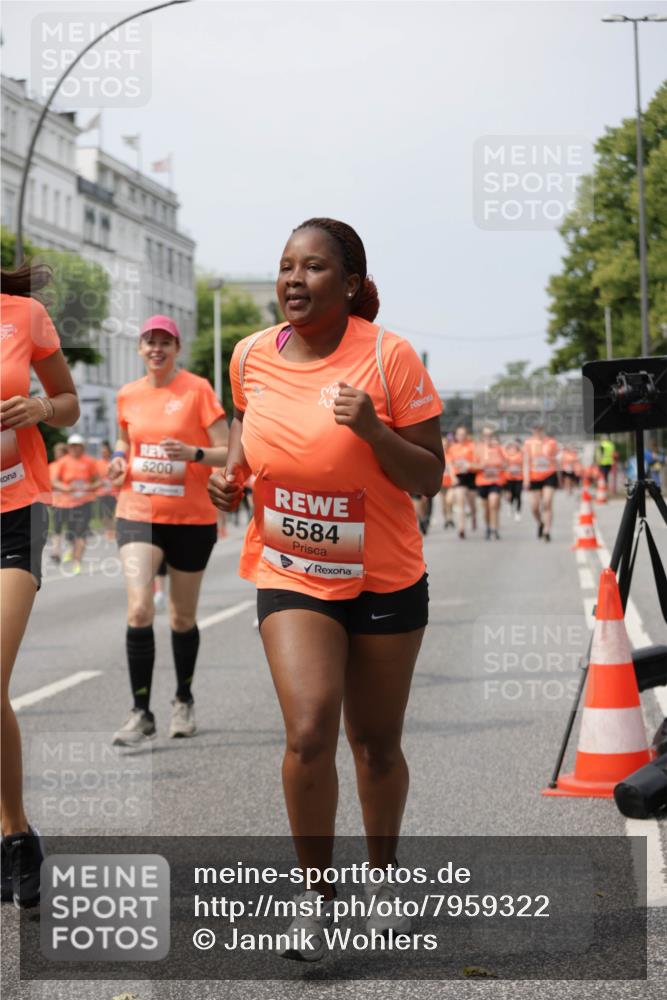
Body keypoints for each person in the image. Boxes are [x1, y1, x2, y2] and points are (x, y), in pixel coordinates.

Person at [208, 218, 444, 961]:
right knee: (309, 729)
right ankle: (316, 901)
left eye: (312, 268)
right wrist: (232, 475)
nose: (293, 280)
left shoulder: (389, 356)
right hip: (291, 567)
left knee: (374, 744)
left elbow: (430, 475)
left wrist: (373, 431)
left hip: (382, 573)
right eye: (285, 266)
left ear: (348, 285)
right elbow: (246, 426)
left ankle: (382, 880)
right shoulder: (249, 354)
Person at [107, 315, 228, 746]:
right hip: (137, 511)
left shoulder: (197, 390)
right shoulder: (128, 395)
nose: (156, 348)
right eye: (149, 342)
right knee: (140, 610)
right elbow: (125, 441)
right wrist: (119, 460)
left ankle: (183, 699)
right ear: (140, 349)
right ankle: (141, 711)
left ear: (177, 348)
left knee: (181, 616)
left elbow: (226, 451)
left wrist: (192, 452)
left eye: (165, 342)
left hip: (192, 519)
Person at [0, 261, 79, 907]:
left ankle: (14, 835)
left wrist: (39, 406)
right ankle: (15, 835)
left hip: (13, 512)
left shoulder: (22, 316)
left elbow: (70, 402)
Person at [50, 434, 100, 575]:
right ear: (69, 447)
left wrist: (90, 487)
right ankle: (67, 552)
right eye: (72, 446)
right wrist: (65, 488)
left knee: (81, 533)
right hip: (65, 503)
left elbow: (98, 481)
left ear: (82, 447)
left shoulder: (90, 462)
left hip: (84, 502)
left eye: (77, 446)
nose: (75, 449)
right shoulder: (62, 462)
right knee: (68, 532)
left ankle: (77, 561)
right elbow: (54, 481)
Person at [524, 423, 559, 542]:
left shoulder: (551, 443)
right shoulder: (529, 443)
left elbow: (556, 460)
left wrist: (559, 477)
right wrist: (526, 478)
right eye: (535, 430)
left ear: (543, 430)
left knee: (547, 502)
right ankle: (540, 523)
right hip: (534, 476)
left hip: (549, 475)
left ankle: (547, 531)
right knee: (534, 507)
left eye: (540, 430)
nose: (538, 432)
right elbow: (526, 461)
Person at [474, 426, 506, 540]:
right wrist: (480, 467)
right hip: (482, 481)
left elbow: (505, 463)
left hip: (496, 481)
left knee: (494, 503)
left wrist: (501, 466)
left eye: (490, 435)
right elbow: (470, 465)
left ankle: (494, 528)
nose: (488, 437)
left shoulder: (498, 448)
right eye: (486, 435)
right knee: (486, 508)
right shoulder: (477, 448)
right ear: (482, 437)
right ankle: (488, 526)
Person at [448, 425, 477, 539]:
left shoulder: (472, 446)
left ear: (467, 435)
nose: (461, 436)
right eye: (459, 434)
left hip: (471, 476)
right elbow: (450, 464)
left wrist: (470, 465)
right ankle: (462, 527)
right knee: (460, 500)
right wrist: (453, 477)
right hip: (459, 476)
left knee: (472, 503)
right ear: (456, 436)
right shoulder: (453, 448)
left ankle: (474, 515)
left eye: (463, 434)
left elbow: (478, 462)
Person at [47, 440, 68, 563]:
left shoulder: (69, 466)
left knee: (72, 528)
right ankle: (56, 551)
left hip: (71, 502)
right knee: (57, 528)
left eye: (60, 453)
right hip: (57, 502)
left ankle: (73, 549)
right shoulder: (52, 466)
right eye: (56, 452)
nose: (58, 455)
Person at [96, 440, 117, 540]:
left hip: (113, 492)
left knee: (112, 513)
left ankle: (112, 531)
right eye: (102, 452)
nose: (103, 453)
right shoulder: (98, 463)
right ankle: (107, 530)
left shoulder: (113, 462)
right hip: (102, 492)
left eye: (105, 452)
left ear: (109, 452)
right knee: (103, 514)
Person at [502, 438, 523, 520]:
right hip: (509, 478)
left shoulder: (521, 454)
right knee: (511, 495)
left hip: (519, 478)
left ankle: (518, 512)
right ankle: (510, 505)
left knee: (518, 495)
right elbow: (502, 450)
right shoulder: (507, 453)